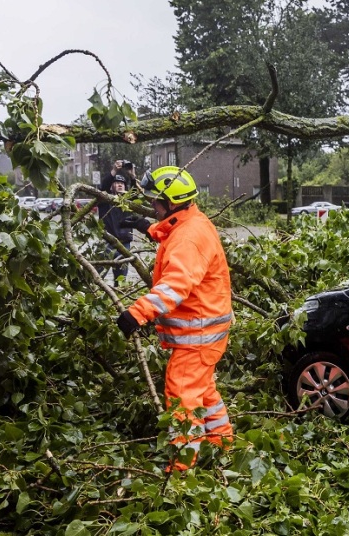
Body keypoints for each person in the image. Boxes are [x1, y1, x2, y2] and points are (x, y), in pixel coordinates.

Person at [115, 166, 234, 470]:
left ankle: (182, 467)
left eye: (156, 201)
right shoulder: (190, 222)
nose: (152, 205)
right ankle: (222, 442)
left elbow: (176, 285)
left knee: (182, 398)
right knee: (203, 390)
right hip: (208, 328)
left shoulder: (188, 238)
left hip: (197, 334)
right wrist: (148, 228)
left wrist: (136, 314)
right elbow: (174, 234)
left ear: (171, 202)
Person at [96, 173, 134, 286]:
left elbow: (138, 193)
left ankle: (119, 296)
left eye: (122, 183)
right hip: (106, 242)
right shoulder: (105, 201)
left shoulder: (130, 202)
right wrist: (113, 171)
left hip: (124, 243)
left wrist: (132, 176)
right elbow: (102, 188)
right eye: (117, 183)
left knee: (121, 277)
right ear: (111, 186)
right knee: (98, 274)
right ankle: (94, 294)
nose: (120, 185)